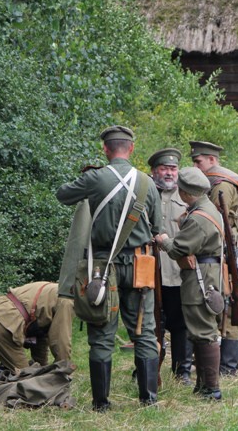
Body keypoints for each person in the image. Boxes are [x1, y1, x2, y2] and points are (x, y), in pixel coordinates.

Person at [55, 125, 162, 410]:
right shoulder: (147, 183)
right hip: (140, 266)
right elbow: (159, 227)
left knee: (101, 333)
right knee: (145, 331)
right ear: (131, 149)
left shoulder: (95, 177)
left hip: (102, 268)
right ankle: (148, 399)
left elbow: (63, 194)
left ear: (106, 149)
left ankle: (101, 404)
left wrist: (90, 184)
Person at [154, 167, 224, 401]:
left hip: (200, 276)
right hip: (206, 272)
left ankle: (211, 388)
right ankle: (203, 384)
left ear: (186, 193)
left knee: (203, 330)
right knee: (199, 328)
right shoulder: (207, 209)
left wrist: (164, 240)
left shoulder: (198, 219)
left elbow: (178, 249)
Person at [189, 140, 238, 376]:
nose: (195, 165)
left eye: (199, 161)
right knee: (226, 304)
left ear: (212, 160)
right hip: (226, 254)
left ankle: (228, 366)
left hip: (227, 255)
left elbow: (214, 222)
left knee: (229, 305)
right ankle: (226, 363)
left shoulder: (220, 185)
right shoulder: (219, 179)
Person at [147, 148, 193, 385]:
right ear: (154, 171)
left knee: (180, 323)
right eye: (164, 168)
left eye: (173, 169)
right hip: (149, 272)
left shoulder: (187, 198)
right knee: (150, 324)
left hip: (177, 271)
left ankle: (182, 371)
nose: (168, 173)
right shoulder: (145, 195)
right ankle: (148, 368)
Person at [0, 281, 74, 373]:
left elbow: (40, 335)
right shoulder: (66, 301)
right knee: (26, 377)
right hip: (3, 325)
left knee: (27, 371)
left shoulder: (53, 290)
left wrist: (41, 366)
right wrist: (62, 371)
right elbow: (61, 341)